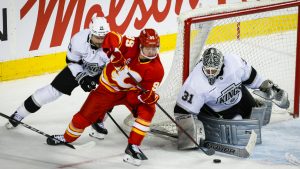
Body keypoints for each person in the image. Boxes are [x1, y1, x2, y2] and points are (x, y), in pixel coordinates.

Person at [46, 28, 164, 166]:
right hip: (107, 90)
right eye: (148, 48)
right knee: (83, 117)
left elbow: (144, 93)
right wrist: (114, 52)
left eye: (154, 47)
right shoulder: (131, 43)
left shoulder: (157, 70)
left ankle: (133, 146)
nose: (152, 51)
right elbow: (110, 37)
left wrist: (144, 98)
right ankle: (67, 138)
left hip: (129, 92)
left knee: (149, 108)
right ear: (140, 45)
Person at [6, 16, 111, 138]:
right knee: (52, 91)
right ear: (91, 32)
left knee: (112, 93)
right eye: (98, 37)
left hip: (103, 71)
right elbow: (73, 61)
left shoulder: (114, 43)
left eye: (103, 37)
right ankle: (19, 114)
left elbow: (115, 68)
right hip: (81, 67)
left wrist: (102, 80)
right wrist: (82, 77)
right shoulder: (78, 40)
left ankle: (99, 120)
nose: (100, 41)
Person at [174, 47, 289, 148]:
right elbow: (182, 110)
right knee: (238, 127)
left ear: (221, 64)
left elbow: (252, 78)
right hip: (220, 108)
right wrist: (189, 132)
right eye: (207, 70)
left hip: (241, 96)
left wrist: (267, 87)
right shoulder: (196, 82)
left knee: (257, 119)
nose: (210, 74)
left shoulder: (234, 62)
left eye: (213, 70)